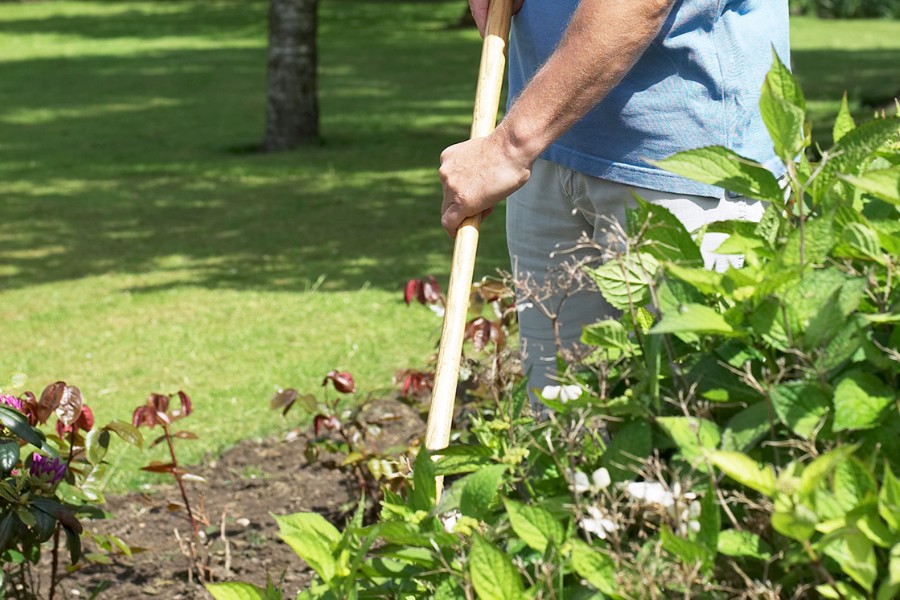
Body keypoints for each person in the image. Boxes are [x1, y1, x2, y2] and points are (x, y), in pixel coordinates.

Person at [439, 0, 790, 401]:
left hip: (685, 172)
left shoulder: (516, 146)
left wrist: (510, 147)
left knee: (693, 422)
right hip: (549, 147)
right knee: (561, 429)